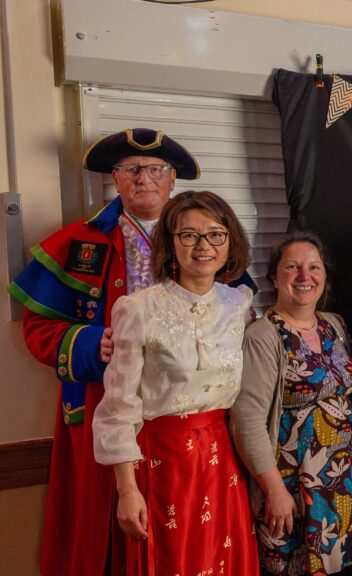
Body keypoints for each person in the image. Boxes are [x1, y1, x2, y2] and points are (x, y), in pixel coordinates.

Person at [6, 128, 200, 576]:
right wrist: (92, 344)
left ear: (173, 182)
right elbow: (38, 327)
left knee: (183, 521)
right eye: (132, 169)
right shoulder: (77, 243)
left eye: (155, 170)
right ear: (115, 178)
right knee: (107, 530)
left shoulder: (204, 240)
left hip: (183, 411)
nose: (143, 179)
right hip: (102, 405)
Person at [91, 190, 258, 574]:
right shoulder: (138, 308)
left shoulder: (239, 305)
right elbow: (119, 407)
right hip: (162, 461)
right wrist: (127, 490)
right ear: (171, 242)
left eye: (216, 234)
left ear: (230, 241)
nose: (204, 246)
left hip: (221, 459)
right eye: (189, 235)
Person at [231, 231, 352, 574]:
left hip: (343, 481)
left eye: (314, 267)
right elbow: (247, 422)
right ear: (275, 277)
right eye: (292, 267)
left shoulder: (334, 324)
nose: (304, 276)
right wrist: (274, 491)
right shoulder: (264, 335)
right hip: (291, 485)